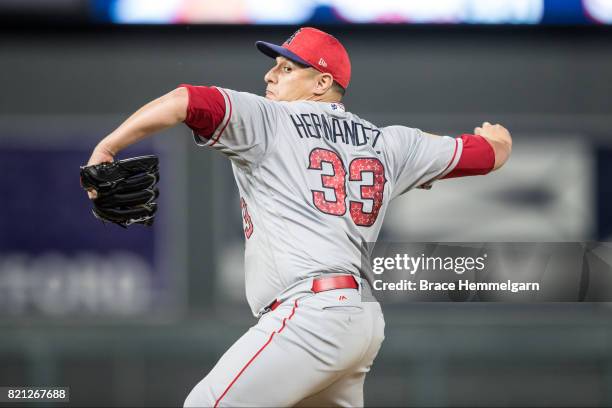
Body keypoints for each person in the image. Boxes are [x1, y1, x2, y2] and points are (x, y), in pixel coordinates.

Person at [86, 27, 512, 407]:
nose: (270, 76)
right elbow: (488, 154)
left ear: (322, 82)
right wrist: (496, 140)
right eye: (274, 67)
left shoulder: (270, 118)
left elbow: (186, 100)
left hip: (310, 315)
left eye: (287, 68)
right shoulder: (390, 144)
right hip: (360, 321)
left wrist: (107, 148)